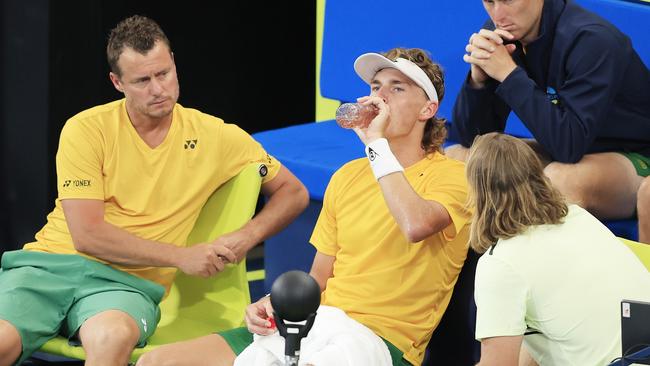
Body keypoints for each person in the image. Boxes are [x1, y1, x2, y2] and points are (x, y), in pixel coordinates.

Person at [0, 15, 309, 366]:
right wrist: (181, 256)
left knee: (111, 338)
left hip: (125, 285)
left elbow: (293, 192)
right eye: (142, 80)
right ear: (117, 82)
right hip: (50, 265)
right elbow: (87, 235)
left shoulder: (219, 136)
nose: (158, 89)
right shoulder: (85, 129)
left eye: (163, 74)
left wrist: (245, 236)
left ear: (174, 63)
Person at [137, 48, 473, 366]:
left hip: (379, 340)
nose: (379, 97)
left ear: (427, 109)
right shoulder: (347, 177)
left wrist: (376, 144)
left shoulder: (454, 176)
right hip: (316, 323)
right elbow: (318, 279)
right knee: (157, 361)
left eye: (396, 88)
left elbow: (415, 225)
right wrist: (274, 305)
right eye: (375, 86)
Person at [447, 0, 650, 229]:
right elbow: (472, 139)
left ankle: (530, 263)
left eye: (509, 0)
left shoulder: (593, 40)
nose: (498, 14)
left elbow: (568, 146)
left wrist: (508, 73)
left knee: (560, 179)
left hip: (635, 155)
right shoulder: (508, 31)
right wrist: (479, 82)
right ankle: (475, 262)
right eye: (490, 1)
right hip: (572, 144)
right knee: (460, 158)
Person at [466, 132, 650, 366]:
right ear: (538, 174)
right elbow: (549, 328)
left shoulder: (500, 264)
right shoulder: (577, 217)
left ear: (477, 194)